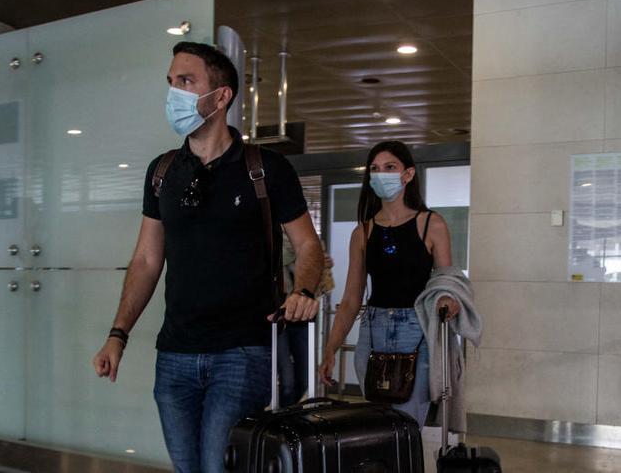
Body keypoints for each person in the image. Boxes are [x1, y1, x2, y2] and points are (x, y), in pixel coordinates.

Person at [91, 41, 324, 473]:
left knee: (220, 468)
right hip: (176, 353)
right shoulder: (162, 172)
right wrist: (117, 334)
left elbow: (309, 245)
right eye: (170, 82)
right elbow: (145, 260)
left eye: (186, 81)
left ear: (221, 96)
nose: (173, 93)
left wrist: (305, 288)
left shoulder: (265, 169)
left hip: (242, 352)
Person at [319, 140, 459, 426]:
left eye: (390, 167)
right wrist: (331, 349)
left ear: (407, 174)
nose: (381, 174)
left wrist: (448, 299)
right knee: (379, 425)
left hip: (416, 330)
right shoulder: (363, 231)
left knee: (408, 424)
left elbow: (447, 280)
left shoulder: (431, 224)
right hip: (373, 331)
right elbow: (350, 299)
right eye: (375, 169)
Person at [276, 233, 335, 406]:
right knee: (287, 381)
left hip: (303, 320)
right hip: (280, 321)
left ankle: (285, 415)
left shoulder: (315, 246)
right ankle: (280, 418)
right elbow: (283, 257)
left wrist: (322, 265)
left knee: (305, 378)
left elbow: (325, 284)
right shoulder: (275, 244)